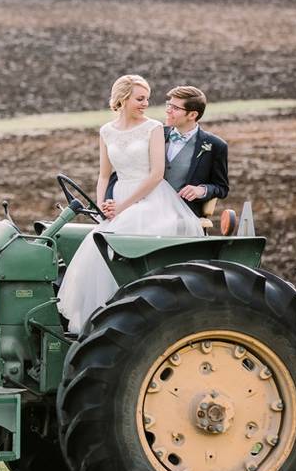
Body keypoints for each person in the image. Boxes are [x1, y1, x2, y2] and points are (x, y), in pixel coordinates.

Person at [57, 75, 203, 335]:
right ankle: (101, 319)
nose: (145, 103)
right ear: (123, 99)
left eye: (147, 98)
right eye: (140, 98)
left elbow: (156, 174)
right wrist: (103, 204)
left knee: (115, 234)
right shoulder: (107, 131)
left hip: (151, 197)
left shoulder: (153, 128)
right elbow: (103, 175)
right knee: (96, 244)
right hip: (119, 196)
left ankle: (129, 315)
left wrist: (122, 207)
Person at [105, 85, 229, 216]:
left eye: (175, 108)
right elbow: (122, 171)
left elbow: (221, 188)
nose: (168, 110)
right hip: (140, 208)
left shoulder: (215, 145)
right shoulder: (152, 132)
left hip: (181, 213)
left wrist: (202, 190)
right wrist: (109, 201)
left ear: (192, 115)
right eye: (169, 105)